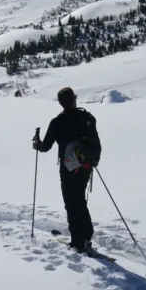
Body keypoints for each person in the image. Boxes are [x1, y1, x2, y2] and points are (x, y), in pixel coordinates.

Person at [33, 87, 101, 253]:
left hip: (68, 168)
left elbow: (45, 147)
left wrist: (36, 144)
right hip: (85, 167)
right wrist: (92, 161)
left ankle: (78, 241)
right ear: (74, 99)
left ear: (61, 103)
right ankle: (85, 237)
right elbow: (96, 142)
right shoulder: (87, 117)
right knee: (80, 200)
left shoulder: (57, 122)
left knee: (72, 203)